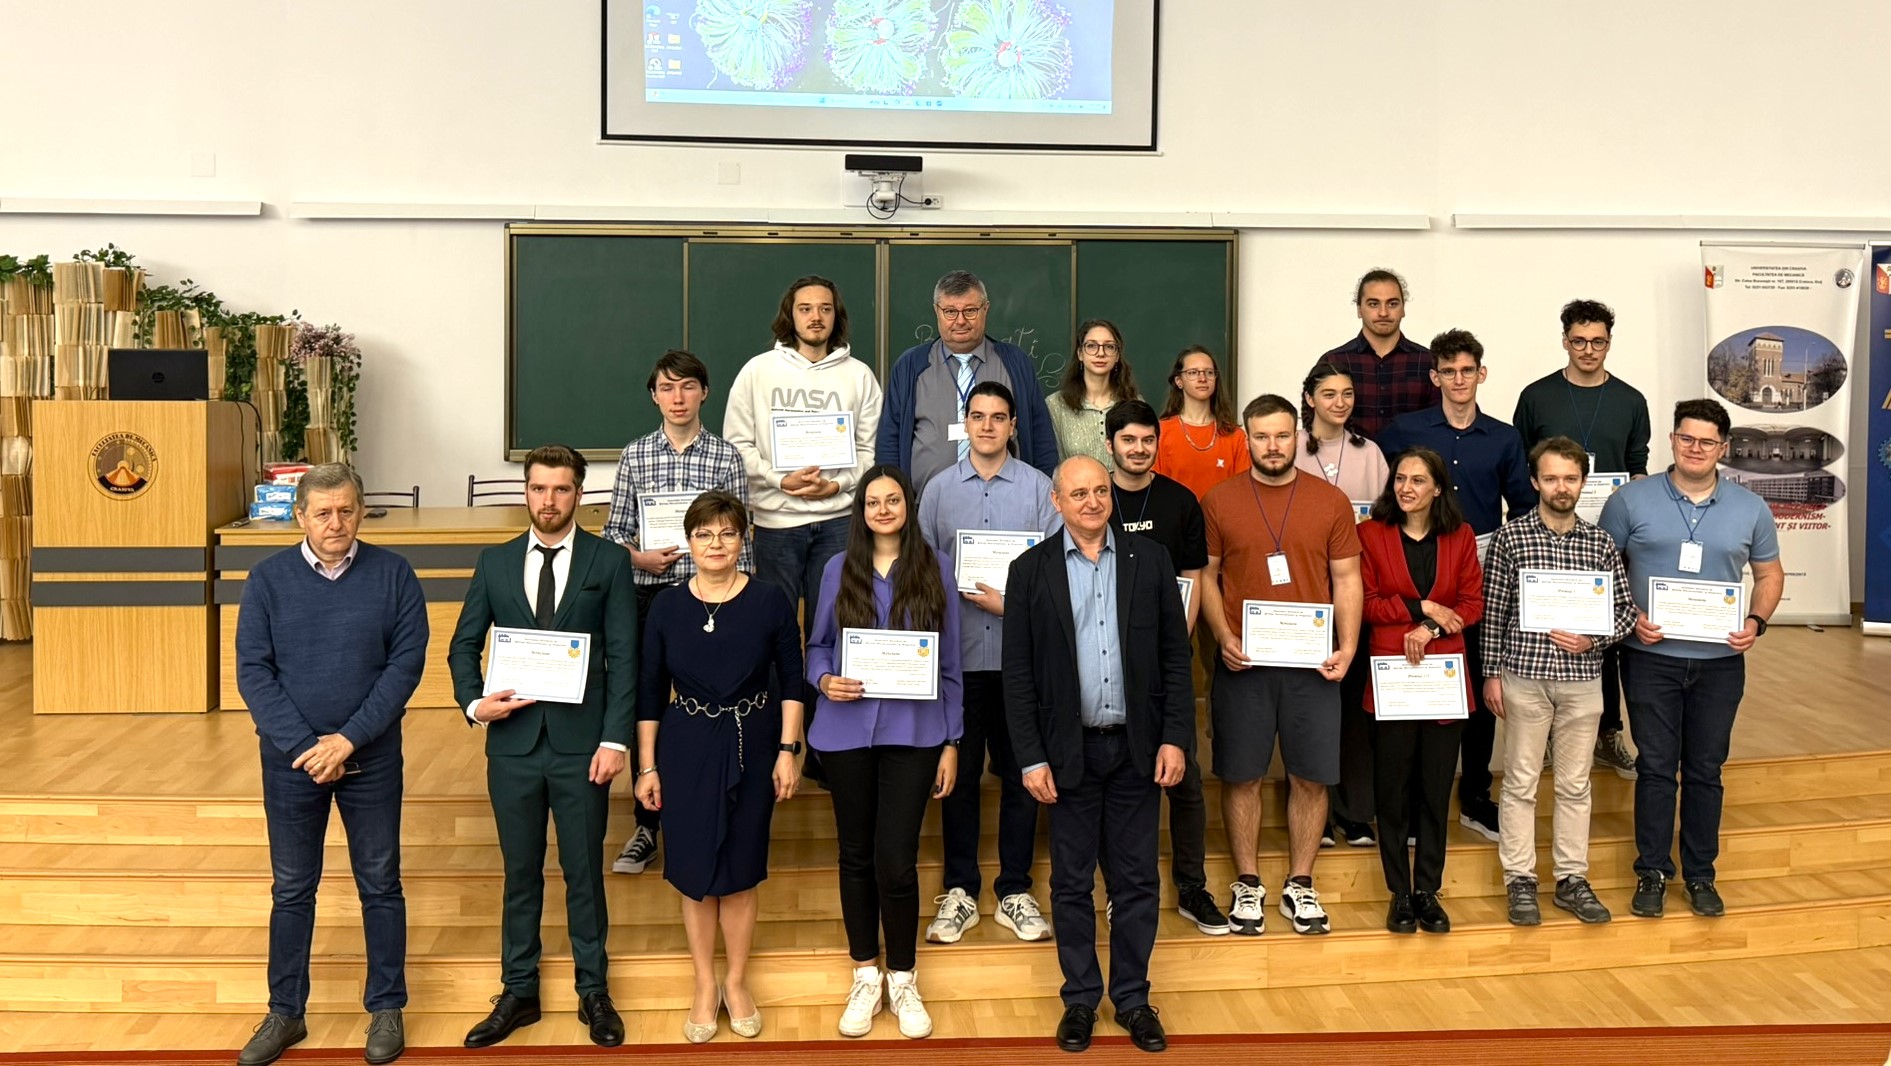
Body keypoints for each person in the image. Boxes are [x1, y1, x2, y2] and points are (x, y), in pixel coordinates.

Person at [234, 462, 427, 1066]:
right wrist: (307, 748)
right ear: (300, 517)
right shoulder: (267, 580)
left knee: (381, 884)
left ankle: (386, 1007)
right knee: (293, 888)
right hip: (292, 764)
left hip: (372, 758)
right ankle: (285, 1013)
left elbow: (405, 667)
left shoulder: (394, 575)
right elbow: (253, 672)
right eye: (322, 513)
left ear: (362, 512)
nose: (335, 523)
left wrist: (348, 740)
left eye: (346, 510)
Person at [1003, 456, 1192, 1054]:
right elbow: (1018, 675)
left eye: (1100, 491)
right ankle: (1081, 998)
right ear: (1056, 501)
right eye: (1079, 493)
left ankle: (1132, 999)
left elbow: (1175, 657)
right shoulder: (1029, 571)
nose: (1092, 502)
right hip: (1067, 754)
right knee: (1070, 883)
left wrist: (1175, 736)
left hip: (1138, 749)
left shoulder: (1151, 560)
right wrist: (1031, 757)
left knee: (1136, 881)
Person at [449, 445, 634, 1049]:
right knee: (520, 872)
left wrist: (615, 739)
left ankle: (593, 989)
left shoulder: (609, 561)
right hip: (513, 745)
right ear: (524, 491)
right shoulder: (495, 562)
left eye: (560, 489)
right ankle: (519, 990)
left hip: (584, 747)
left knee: (583, 872)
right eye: (537, 488)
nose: (548, 500)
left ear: (579, 493)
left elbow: (625, 656)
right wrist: (475, 704)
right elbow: (462, 645)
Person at [1598, 399, 1784, 920]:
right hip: (1649, 656)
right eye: (1686, 438)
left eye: (1706, 442)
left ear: (1723, 448)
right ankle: (1652, 872)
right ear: (1672, 440)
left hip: (1720, 662)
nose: (1695, 449)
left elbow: (1770, 574)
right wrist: (1630, 615)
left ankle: (1701, 874)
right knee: (1656, 766)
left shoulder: (1751, 508)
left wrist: (1756, 621)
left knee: (1705, 769)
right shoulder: (1629, 500)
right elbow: (1603, 569)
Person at [633, 491, 805, 1042]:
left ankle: (736, 981)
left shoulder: (770, 600)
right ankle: (705, 983)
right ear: (688, 541)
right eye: (704, 534)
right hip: (685, 745)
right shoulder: (666, 606)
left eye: (727, 533)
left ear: (744, 539)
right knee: (694, 871)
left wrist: (788, 751)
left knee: (740, 868)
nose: (716, 544)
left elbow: (793, 682)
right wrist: (646, 767)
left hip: (754, 742)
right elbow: (649, 691)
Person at [805, 464, 964, 1039]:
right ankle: (864, 973)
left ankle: (902, 975)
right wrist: (825, 680)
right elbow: (817, 646)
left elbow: (951, 662)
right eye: (873, 502)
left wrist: (952, 740)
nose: (883, 510)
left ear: (907, 506)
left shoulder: (935, 566)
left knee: (895, 860)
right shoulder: (836, 568)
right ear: (861, 511)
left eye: (892, 500)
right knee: (856, 856)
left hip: (915, 734)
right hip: (846, 733)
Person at [1199, 394, 1363, 936]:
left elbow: (1347, 578)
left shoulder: (1331, 501)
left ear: (1299, 436)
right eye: (1262, 436)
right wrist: (1223, 636)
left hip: (1313, 667)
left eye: (1283, 435)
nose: (1273, 446)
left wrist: (1347, 646)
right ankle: (1247, 883)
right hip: (1243, 663)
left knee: (1310, 778)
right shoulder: (1219, 500)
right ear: (1247, 439)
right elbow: (1206, 577)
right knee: (1241, 775)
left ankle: (1300, 883)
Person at [1378, 329, 1536, 844]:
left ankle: (1474, 795)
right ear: (1435, 377)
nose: (1459, 379)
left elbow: (1523, 506)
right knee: (1419, 668)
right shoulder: (1407, 430)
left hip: (1482, 561)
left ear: (1481, 374)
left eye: (1467, 370)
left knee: (1481, 676)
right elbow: (1387, 491)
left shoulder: (1504, 437)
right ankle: (1407, 801)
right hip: (1417, 560)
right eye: (1448, 371)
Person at [917, 382, 1060, 945]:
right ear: (966, 422)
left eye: (999, 417)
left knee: (1024, 774)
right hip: (958, 661)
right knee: (959, 776)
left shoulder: (1040, 489)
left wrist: (1014, 605)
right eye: (978, 416)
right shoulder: (937, 490)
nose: (988, 426)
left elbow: (1057, 575)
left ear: (1013, 425)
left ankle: (1015, 890)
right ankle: (960, 889)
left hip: (1021, 660)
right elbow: (920, 572)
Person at [601, 348, 751, 877]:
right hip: (650, 597)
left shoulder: (726, 458)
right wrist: (638, 557)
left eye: (688, 386)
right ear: (654, 396)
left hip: (711, 599)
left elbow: (743, 537)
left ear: (704, 393)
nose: (678, 397)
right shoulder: (635, 455)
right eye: (667, 388)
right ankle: (647, 824)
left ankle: (710, 807)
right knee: (648, 702)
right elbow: (614, 532)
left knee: (710, 705)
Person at [1482, 436, 1637, 927]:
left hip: (1582, 682)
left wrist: (1594, 639)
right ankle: (1520, 880)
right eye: (1551, 478)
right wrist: (1490, 674)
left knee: (1574, 784)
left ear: (1583, 482)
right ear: (1534, 482)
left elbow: (1626, 612)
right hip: (1524, 676)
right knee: (1520, 783)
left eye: (1570, 478)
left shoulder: (1600, 543)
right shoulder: (1510, 539)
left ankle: (1571, 879)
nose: (1561, 487)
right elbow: (1493, 613)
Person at [723, 274, 883, 707]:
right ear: (789, 316)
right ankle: (780, 728)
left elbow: (870, 450)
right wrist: (780, 480)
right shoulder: (757, 372)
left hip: (838, 523)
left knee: (830, 628)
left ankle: (822, 729)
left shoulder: (859, 376)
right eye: (806, 308)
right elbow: (738, 445)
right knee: (773, 628)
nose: (816, 317)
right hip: (775, 524)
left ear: (836, 316)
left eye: (825, 309)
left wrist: (837, 483)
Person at [1510, 299, 1653, 781]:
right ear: (1564, 341)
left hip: (1606, 538)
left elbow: (1637, 467)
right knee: (1544, 627)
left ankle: (1607, 732)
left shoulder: (1631, 400)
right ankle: (1549, 731)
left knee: (1601, 633)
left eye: (1598, 342)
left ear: (1609, 343)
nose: (1588, 350)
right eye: (1579, 341)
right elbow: (1522, 464)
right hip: (1547, 533)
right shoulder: (1537, 396)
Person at [1103, 399, 1229, 935]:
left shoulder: (1181, 501)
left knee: (1186, 778)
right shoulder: (1095, 499)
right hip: (1105, 663)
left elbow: (1195, 577)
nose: (1139, 449)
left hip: (1167, 659)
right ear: (1109, 444)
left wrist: (1176, 640)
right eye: (1128, 440)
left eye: (1147, 440)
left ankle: (1192, 886)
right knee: (1118, 780)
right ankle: (1118, 891)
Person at [1358, 447, 1484, 935]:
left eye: (1417, 480)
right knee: (1392, 791)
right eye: (1400, 479)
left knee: (1434, 790)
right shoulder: (1371, 534)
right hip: (1393, 677)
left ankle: (1428, 890)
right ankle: (1399, 892)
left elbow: (1471, 603)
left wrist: (1429, 629)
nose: (1406, 488)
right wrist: (1424, 608)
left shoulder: (1461, 535)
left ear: (1437, 488)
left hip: (1443, 681)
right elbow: (1367, 603)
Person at [1297, 361, 1391, 849]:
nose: (1340, 402)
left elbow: (1385, 522)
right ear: (1309, 398)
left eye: (1347, 393)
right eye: (1329, 393)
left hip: (1357, 590)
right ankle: (1314, 812)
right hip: (1302, 595)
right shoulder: (1289, 447)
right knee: (1310, 709)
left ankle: (1354, 813)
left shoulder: (1369, 453)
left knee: (1354, 709)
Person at [878, 269, 1059, 493]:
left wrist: (1045, 495)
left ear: (986, 309)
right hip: (925, 505)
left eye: (970, 311)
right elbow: (889, 441)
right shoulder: (910, 366)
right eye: (950, 312)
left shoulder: (1014, 363)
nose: (961, 320)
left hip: (1009, 503)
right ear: (936, 311)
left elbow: (1041, 438)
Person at [1317, 268, 1439, 442]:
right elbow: (1317, 424)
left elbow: (1439, 426)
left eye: (1392, 304)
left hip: (1411, 459)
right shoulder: (1334, 361)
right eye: (1373, 304)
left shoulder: (1427, 361)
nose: (1383, 313)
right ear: (1359, 309)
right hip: (1347, 459)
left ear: (1403, 309)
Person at [1153, 345, 1247, 500]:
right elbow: (1154, 489)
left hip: (1222, 515)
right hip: (1174, 514)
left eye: (1209, 372)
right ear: (1179, 381)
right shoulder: (1160, 432)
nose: (1202, 379)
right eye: (1193, 373)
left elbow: (1243, 491)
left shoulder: (1235, 436)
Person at [1048, 318, 1140, 469]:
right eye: (1091, 346)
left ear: (1117, 355)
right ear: (1080, 354)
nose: (1101, 353)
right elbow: (1052, 463)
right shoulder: (1056, 404)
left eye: (1109, 347)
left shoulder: (1134, 402)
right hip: (1075, 483)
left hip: (1124, 485)